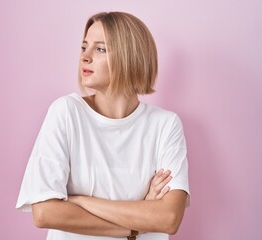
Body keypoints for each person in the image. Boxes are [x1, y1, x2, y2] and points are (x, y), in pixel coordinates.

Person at [16, 11, 190, 240]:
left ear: (130, 56)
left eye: (100, 49)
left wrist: (78, 201)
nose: (85, 57)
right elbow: (45, 212)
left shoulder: (165, 125)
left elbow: (168, 218)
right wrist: (137, 224)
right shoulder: (66, 112)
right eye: (83, 47)